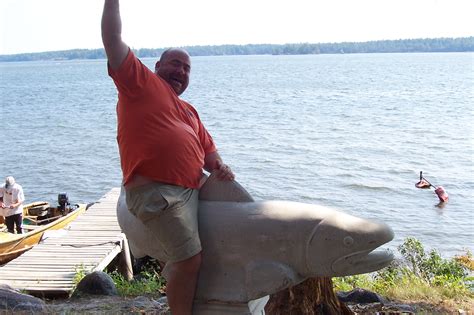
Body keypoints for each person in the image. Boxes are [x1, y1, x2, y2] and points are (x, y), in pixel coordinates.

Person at [101, 1, 235, 314]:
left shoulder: (190, 113)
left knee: (211, 251)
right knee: (190, 260)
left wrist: (223, 169)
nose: (181, 71)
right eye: (175, 63)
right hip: (156, 192)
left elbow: (211, 159)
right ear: (158, 65)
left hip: (193, 192)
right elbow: (112, 39)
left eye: (187, 68)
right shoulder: (140, 82)